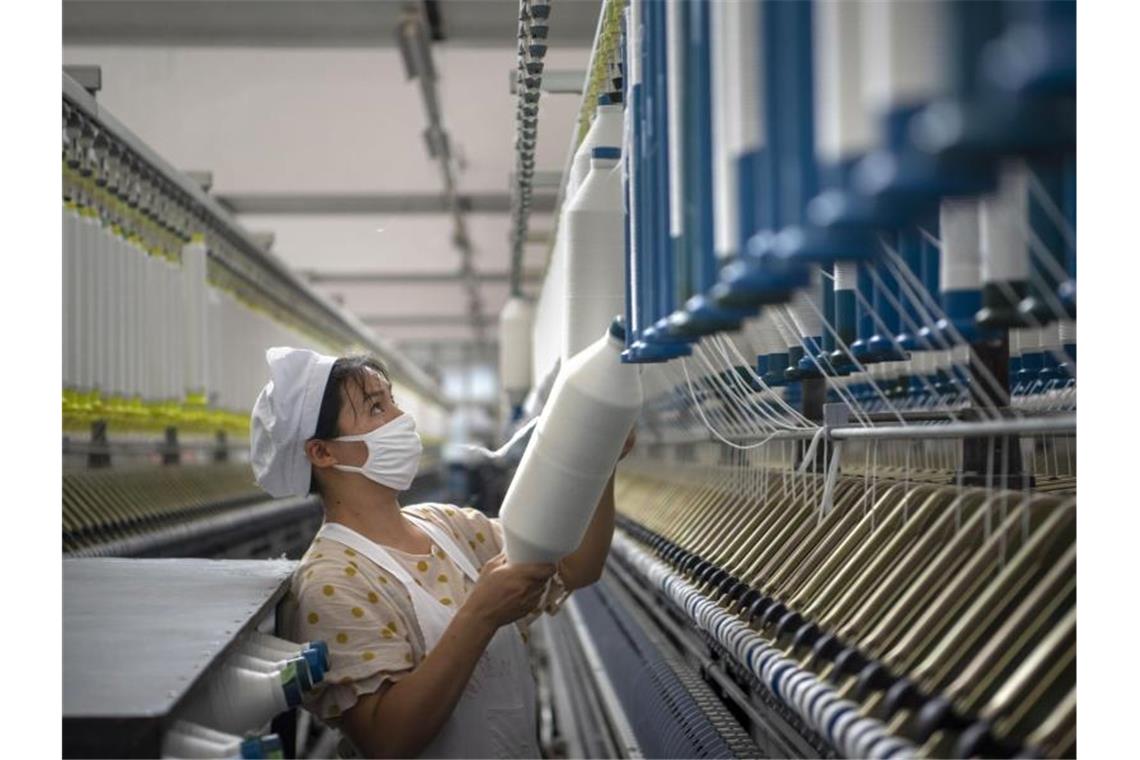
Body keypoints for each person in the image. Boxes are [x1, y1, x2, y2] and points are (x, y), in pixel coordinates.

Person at [249, 348, 634, 758]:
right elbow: (388, 739)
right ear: (323, 453)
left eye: (393, 401)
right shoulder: (329, 583)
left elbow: (577, 565)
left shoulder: (450, 526)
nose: (401, 419)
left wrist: (600, 460)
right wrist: (481, 614)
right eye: (376, 407)